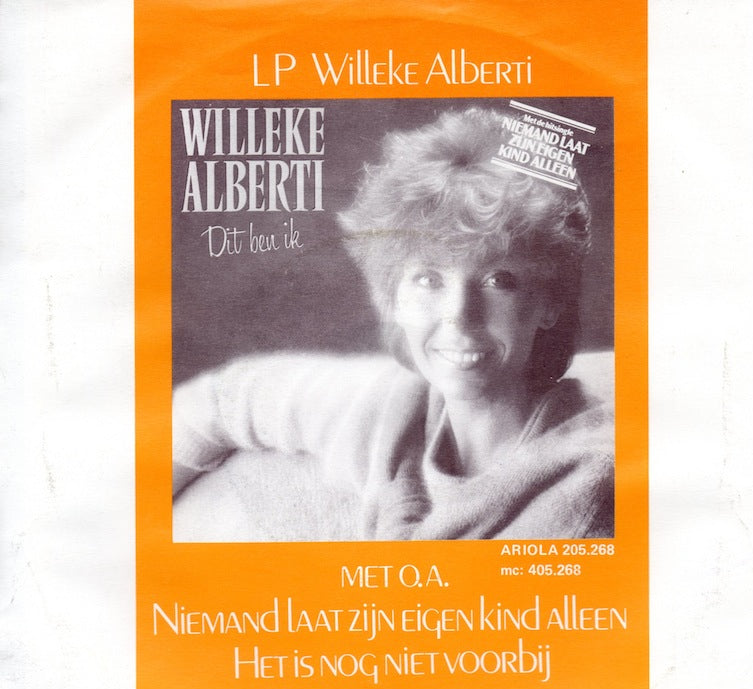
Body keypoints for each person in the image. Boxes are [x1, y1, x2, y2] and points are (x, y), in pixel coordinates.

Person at [173, 107, 613, 540]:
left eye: (499, 280)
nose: (459, 314)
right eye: (428, 279)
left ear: (550, 303)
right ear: (393, 299)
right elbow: (224, 400)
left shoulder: (589, 505)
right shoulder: (395, 408)